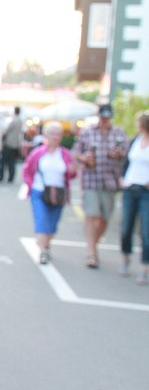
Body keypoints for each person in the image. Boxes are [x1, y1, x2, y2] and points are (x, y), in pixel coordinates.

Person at [72, 103, 127, 269]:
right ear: (99, 116)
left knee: (103, 218)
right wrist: (83, 158)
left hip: (110, 180)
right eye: (103, 116)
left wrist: (118, 155)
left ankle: (93, 245)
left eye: (108, 116)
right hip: (91, 178)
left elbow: (127, 155)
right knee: (91, 214)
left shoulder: (119, 133)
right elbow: (75, 152)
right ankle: (91, 252)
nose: (105, 119)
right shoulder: (87, 132)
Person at [22, 122, 77, 265]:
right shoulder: (38, 152)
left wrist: (72, 170)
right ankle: (43, 251)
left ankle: (45, 244)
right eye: (53, 134)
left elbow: (71, 174)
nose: (56, 137)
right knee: (42, 220)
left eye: (58, 134)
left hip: (59, 193)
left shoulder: (65, 154)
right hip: (39, 191)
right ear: (46, 136)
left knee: (52, 224)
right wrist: (30, 185)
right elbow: (27, 170)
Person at [120, 110, 149, 284]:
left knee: (146, 231)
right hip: (130, 188)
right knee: (126, 228)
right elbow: (127, 162)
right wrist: (122, 178)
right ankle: (125, 259)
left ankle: (145, 267)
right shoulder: (135, 141)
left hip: (146, 192)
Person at [1, 106, 24, 182]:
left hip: (9, 143)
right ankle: (11, 177)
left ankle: (3, 176)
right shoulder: (20, 121)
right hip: (16, 143)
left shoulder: (14, 120)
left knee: (6, 161)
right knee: (12, 161)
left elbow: (7, 130)